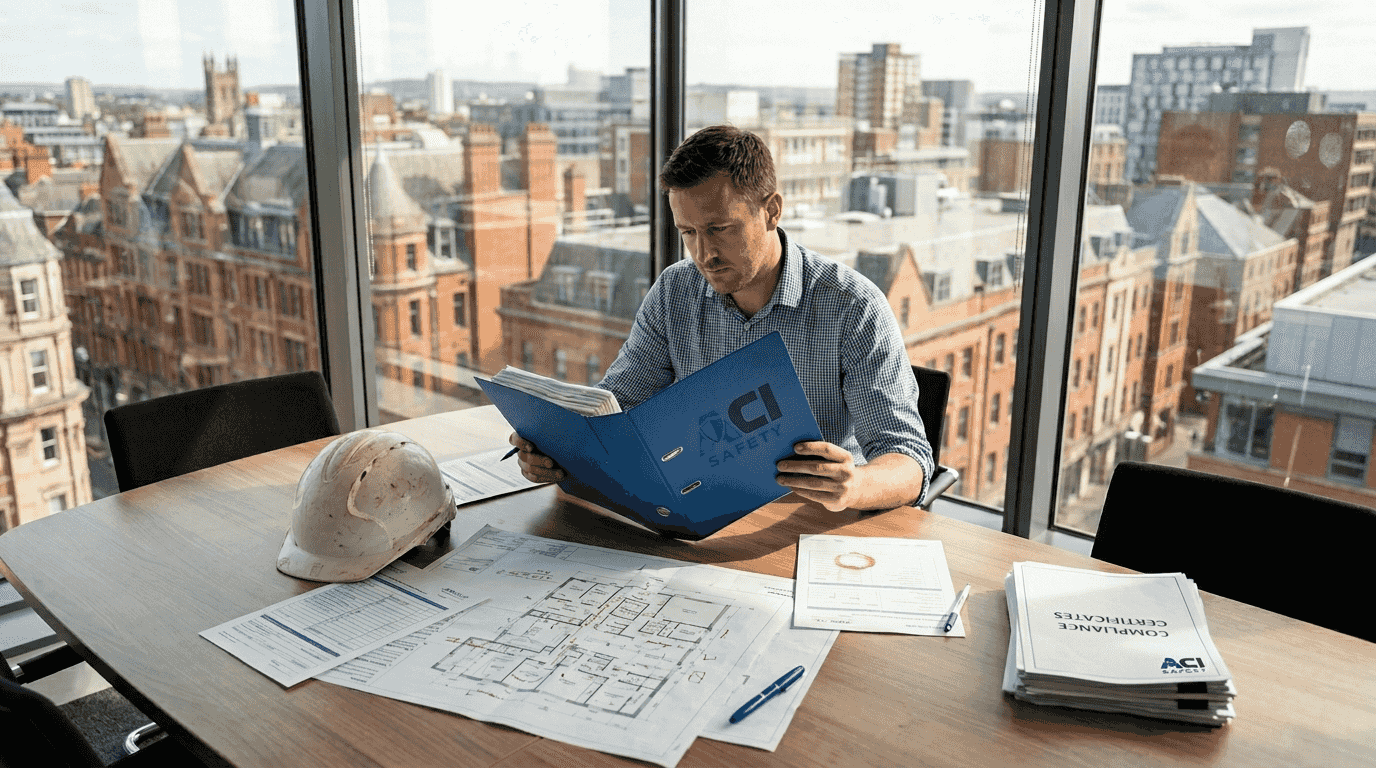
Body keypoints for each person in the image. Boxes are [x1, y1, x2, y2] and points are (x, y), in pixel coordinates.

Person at [510, 124, 933, 511]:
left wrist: (854, 485)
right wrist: (556, 450)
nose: (704, 254)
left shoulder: (852, 306)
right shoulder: (676, 290)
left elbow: (910, 460)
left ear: (772, 210)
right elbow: (618, 408)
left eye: (720, 229)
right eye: (688, 233)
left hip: (807, 522)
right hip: (699, 509)